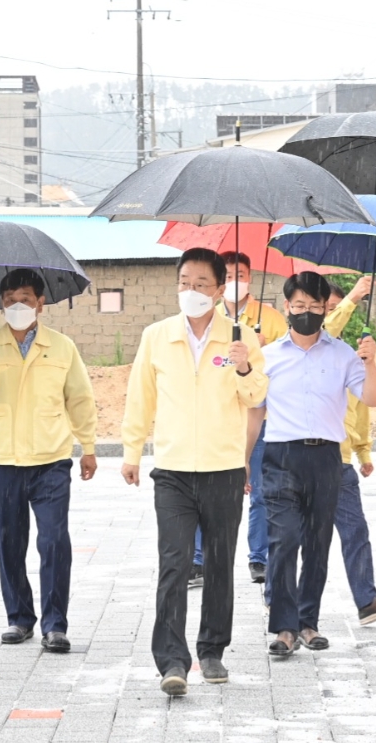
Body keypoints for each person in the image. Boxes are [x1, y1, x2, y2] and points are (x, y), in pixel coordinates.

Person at [121, 247, 268, 695]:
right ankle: (172, 660)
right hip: (173, 470)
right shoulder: (157, 336)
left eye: (201, 284)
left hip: (224, 468)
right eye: (185, 282)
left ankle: (212, 650)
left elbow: (256, 396)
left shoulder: (241, 338)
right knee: (175, 562)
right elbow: (140, 397)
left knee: (220, 563)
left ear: (221, 290)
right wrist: (131, 452)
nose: (191, 290)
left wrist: (243, 365)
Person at [0, 268, 98, 654]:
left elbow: (79, 398)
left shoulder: (62, 347)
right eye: (9, 300)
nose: (17, 306)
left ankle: (55, 625)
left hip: (51, 460)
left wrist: (88, 446)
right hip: (1, 461)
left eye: (25, 299)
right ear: (0, 305)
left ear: (40, 303)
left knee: (54, 541)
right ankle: (19, 618)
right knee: (8, 542)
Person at [250, 271, 376, 658]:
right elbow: (254, 411)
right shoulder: (268, 356)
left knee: (316, 544)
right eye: (299, 305)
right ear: (286, 307)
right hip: (280, 457)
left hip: (326, 458)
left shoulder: (343, 354)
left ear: (326, 309)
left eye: (314, 306)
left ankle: (308, 623)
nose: (306, 312)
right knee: (283, 540)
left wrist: (371, 363)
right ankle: (284, 628)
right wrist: (243, 460)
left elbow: (372, 398)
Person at [190, 252, 288, 588]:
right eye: (229, 275)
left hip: (259, 419)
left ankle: (258, 557)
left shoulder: (271, 318)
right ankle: (199, 559)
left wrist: (261, 350)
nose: (235, 281)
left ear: (251, 278)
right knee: (206, 492)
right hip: (219, 419)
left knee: (259, 492)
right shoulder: (207, 317)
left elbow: (284, 360)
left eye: (241, 275)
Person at [324, 280, 376, 626]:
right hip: (303, 459)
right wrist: (354, 296)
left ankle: (367, 601)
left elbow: (361, 408)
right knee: (294, 538)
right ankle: (280, 604)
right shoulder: (306, 353)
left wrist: (364, 451)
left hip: (340, 461)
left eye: (333, 309)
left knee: (355, 531)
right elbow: (325, 331)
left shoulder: (349, 357)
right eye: (325, 309)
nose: (331, 316)